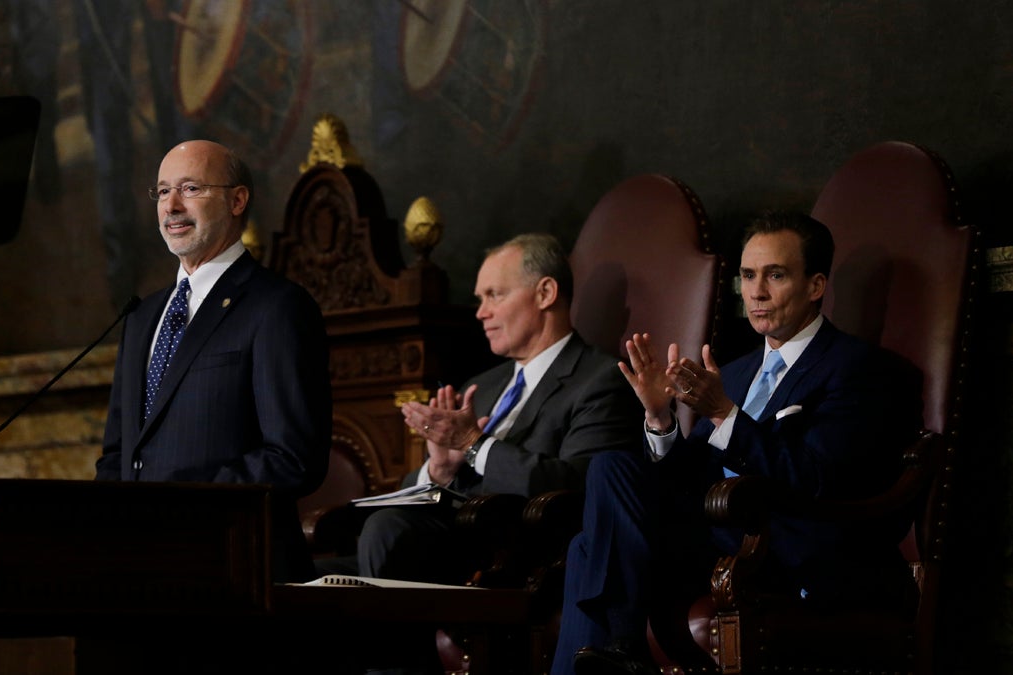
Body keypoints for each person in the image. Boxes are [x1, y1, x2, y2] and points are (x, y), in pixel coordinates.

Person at [554, 213, 923, 675]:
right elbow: (688, 478)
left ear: (815, 286)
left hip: (780, 545)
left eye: (776, 275)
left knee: (589, 549)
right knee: (609, 470)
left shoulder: (858, 369)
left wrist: (724, 414)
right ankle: (622, 646)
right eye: (748, 276)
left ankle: (621, 645)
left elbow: (818, 479)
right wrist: (660, 416)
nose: (756, 292)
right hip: (713, 536)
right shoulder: (736, 371)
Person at [96, 140, 331, 583]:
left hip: (233, 568)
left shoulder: (276, 307)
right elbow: (117, 454)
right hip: (138, 572)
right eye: (163, 192)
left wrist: (185, 506)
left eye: (190, 188)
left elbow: (293, 457)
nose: (173, 206)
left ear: (237, 200)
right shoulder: (142, 316)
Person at [353, 233, 640, 584]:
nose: (481, 312)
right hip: (437, 543)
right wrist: (439, 470)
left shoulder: (601, 380)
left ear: (545, 293)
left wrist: (474, 444)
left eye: (495, 295)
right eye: (480, 298)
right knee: (300, 577)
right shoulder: (481, 385)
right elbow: (418, 492)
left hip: (516, 554)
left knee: (388, 532)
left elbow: (581, 485)